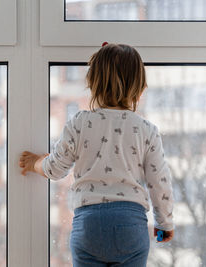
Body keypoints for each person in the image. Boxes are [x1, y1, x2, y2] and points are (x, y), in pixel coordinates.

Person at [19, 43, 174, 266]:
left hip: (88, 225)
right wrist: (164, 223)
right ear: (139, 88)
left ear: (92, 84)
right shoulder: (146, 130)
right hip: (130, 225)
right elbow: (160, 183)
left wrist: (35, 162)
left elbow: (55, 168)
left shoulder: (80, 123)